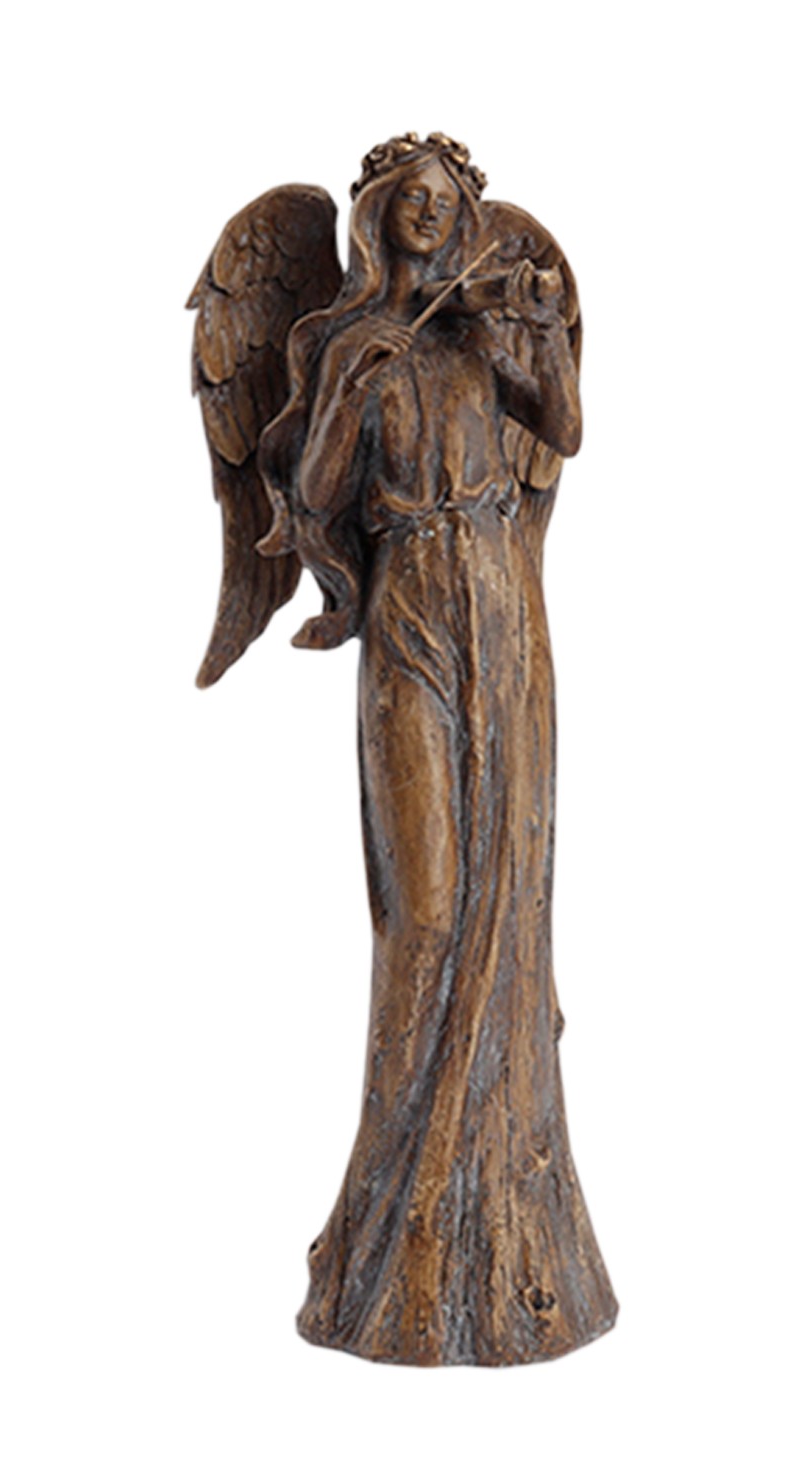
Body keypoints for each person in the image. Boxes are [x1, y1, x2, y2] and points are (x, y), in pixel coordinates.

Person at [258, 134, 617, 1365]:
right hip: (409, 611)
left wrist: (540, 329)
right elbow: (313, 493)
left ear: (465, 213)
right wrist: (345, 394)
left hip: (503, 611)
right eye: (406, 199)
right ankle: (387, 1215)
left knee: (506, 905)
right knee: (424, 913)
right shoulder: (350, 343)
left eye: (443, 199)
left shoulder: (486, 330)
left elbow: (565, 427)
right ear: (376, 218)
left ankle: (510, 1231)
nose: (426, 213)